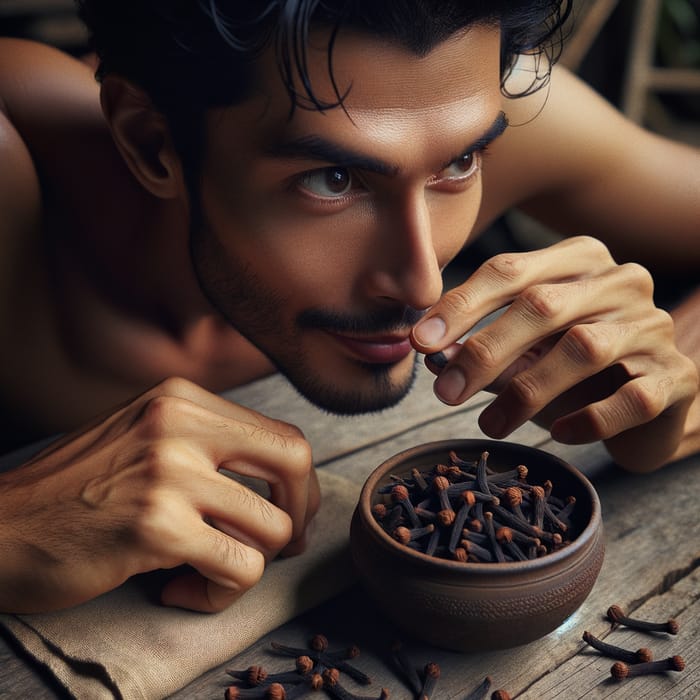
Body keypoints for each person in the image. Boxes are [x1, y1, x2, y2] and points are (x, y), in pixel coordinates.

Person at [0, 0, 698, 615]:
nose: (424, 284)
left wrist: (674, 385)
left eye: (458, 166)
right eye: (333, 180)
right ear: (151, 144)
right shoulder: (16, 167)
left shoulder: (466, 98)